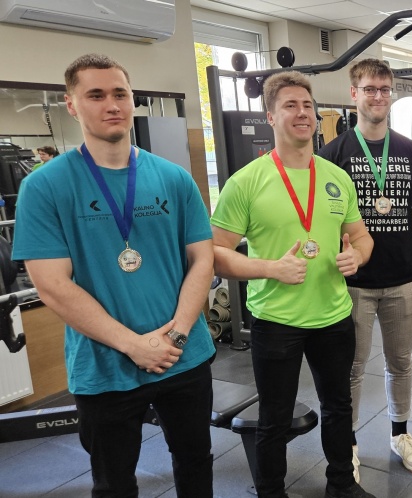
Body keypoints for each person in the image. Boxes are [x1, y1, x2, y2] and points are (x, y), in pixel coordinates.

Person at [12, 53, 216, 496]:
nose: (112, 105)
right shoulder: (44, 186)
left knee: (195, 462)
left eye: (120, 93)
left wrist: (176, 336)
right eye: (96, 95)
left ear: (132, 99)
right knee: (114, 483)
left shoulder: (174, 178)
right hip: (105, 366)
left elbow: (203, 260)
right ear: (71, 104)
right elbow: (52, 285)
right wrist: (134, 345)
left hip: (184, 356)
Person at [210, 71, 376, 498]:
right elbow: (216, 252)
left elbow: (361, 236)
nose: (302, 113)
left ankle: (341, 484)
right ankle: (271, 492)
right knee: (275, 417)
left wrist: (357, 255)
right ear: (270, 116)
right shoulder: (246, 182)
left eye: (307, 106)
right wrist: (270, 268)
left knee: (338, 407)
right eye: (290, 105)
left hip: (333, 316)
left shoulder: (336, 177)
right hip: (276, 320)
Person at [317, 58, 412, 479]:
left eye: (384, 89)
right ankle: (348, 444)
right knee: (352, 368)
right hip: (352, 284)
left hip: (403, 279)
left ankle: (400, 434)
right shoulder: (332, 155)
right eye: (370, 89)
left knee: (401, 362)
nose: (378, 97)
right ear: (354, 94)